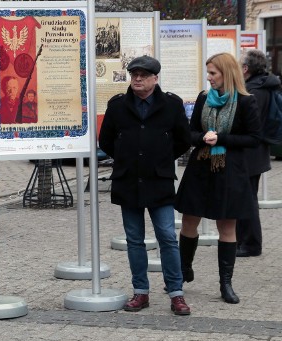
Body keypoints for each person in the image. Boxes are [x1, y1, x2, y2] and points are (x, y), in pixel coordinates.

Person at [99, 56, 192, 315]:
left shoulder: (171, 104)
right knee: (134, 240)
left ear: (155, 78)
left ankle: (176, 293)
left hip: (159, 181)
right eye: (134, 74)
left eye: (143, 75)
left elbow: (183, 140)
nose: (137, 79)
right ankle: (141, 292)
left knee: (167, 237)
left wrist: (160, 159)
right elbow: (106, 140)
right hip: (128, 180)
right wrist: (127, 158)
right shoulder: (118, 105)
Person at [175, 52, 261, 304]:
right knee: (189, 219)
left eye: (213, 73)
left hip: (230, 171)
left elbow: (254, 139)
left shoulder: (245, 102)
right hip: (200, 167)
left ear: (227, 73)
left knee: (227, 226)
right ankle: (183, 271)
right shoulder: (204, 99)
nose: (209, 78)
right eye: (208, 73)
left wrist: (221, 138)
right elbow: (189, 133)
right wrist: (202, 137)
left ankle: (226, 283)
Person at [236, 49, 279, 257]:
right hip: (257, 151)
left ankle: (250, 244)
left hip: (249, 153)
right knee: (247, 196)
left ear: (245, 69)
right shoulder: (265, 85)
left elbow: (248, 124)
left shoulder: (254, 91)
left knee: (247, 199)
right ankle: (243, 241)